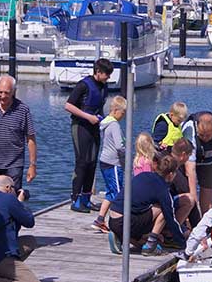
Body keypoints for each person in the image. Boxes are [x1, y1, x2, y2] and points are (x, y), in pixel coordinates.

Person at [106, 155, 186, 256]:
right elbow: (170, 218)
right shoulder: (162, 190)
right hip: (125, 221)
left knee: (142, 239)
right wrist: (183, 243)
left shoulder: (143, 175)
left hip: (113, 219)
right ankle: (150, 245)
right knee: (163, 210)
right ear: (170, 174)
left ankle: (121, 236)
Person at [64, 58, 111, 213]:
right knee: (82, 162)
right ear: (98, 72)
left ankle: (86, 198)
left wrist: (103, 120)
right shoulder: (83, 85)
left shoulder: (104, 86)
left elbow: (100, 108)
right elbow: (68, 105)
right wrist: (87, 116)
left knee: (92, 163)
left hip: (94, 127)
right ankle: (75, 199)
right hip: (80, 126)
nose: (108, 77)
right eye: (106, 74)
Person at [92, 96, 127, 233]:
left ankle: (100, 220)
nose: (123, 116)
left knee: (111, 191)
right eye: (123, 113)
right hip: (113, 163)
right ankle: (119, 223)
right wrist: (125, 155)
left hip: (104, 161)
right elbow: (119, 146)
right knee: (119, 195)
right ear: (116, 110)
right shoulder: (114, 125)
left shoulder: (105, 123)